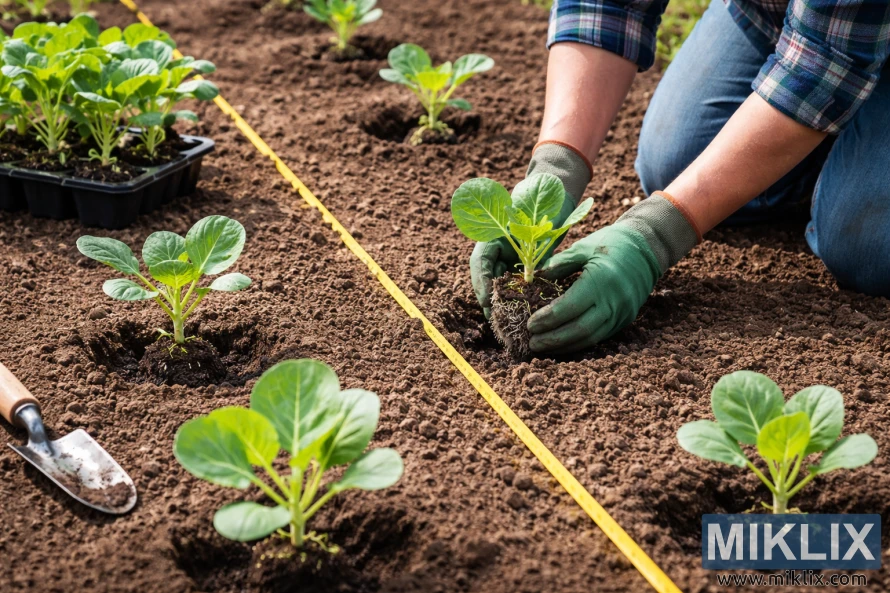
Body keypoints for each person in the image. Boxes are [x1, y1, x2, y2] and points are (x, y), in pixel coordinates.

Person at [470, 0, 890, 355]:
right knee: (674, 162)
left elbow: (823, 66)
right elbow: (605, 6)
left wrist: (653, 235)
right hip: (785, 15)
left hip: (842, 34)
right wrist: (557, 167)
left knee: (863, 244)